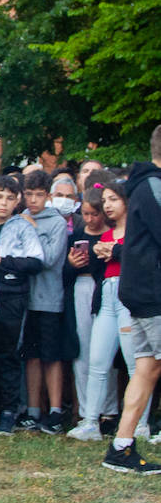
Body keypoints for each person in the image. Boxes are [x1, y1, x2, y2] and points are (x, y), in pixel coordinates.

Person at [104, 126, 161, 473]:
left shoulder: (145, 183)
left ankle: (121, 447)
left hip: (140, 289)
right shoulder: (154, 185)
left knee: (147, 367)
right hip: (153, 292)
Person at [74, 183, 148, 443]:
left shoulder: (138, 233)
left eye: (113, 199)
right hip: (106, 297)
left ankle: (139, 424)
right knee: (97, 361)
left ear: (126, 201)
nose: (107, 205)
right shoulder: (104, 235)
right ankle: (90, 421)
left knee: (135, 364)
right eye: (104, 200)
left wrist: (116, 252)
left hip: (128, 298)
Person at [0, 175, 43, 435]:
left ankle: (9, 410)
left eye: (9, 198)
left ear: (17, 200)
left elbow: (36, 261)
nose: (3, 203)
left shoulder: (23, 227)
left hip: (13, 296)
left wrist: (2, 260)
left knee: (8, 354)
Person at [17, 169, 70, 434]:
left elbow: (47, 259)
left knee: (51, 357)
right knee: (31, 357)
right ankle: (33, 411)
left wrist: (32, 232)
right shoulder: (20, 219)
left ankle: (56, 411)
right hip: (26, 301)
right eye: (29, 194)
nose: (34, 200)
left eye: (39, 195)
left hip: (49, 300)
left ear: (48, 196)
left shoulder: (57, 223)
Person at [64, 187, 114, 439]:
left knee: (105, 353)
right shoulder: (78, 235)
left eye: (95, 214)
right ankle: (86, 411)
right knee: (82, 352)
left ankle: (109, 410)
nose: (91, 219)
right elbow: (65, 273)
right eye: (85, 214)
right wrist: (72, 264)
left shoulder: (112, 236)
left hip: (104, 288)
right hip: (81, 289)